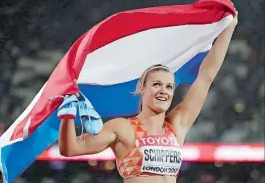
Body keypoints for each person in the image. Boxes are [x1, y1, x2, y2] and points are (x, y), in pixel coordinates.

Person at [58, 9, 238, 183]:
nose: (163, 90)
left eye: (169, 86)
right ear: (141, 89)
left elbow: (206, 77)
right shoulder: (123, 128)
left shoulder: (177, 125)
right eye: (157, 84)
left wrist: (228, 30)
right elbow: (71, 148)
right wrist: (67, 117)